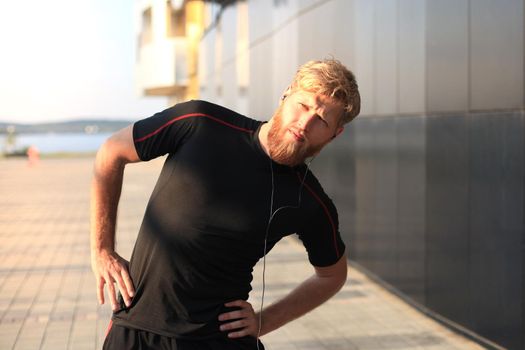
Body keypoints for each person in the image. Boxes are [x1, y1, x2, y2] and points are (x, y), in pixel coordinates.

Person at [90, 59, 361, 349]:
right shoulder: (200, 123)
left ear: (335, 134)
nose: (304, 123)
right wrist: (101, 249)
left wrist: (264, 321)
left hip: (218, 340)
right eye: (304, 105)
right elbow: (111, 153)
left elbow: (332, 275)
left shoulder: (311, 201)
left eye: (322, 120)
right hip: (136, 328)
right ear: (287, 93)